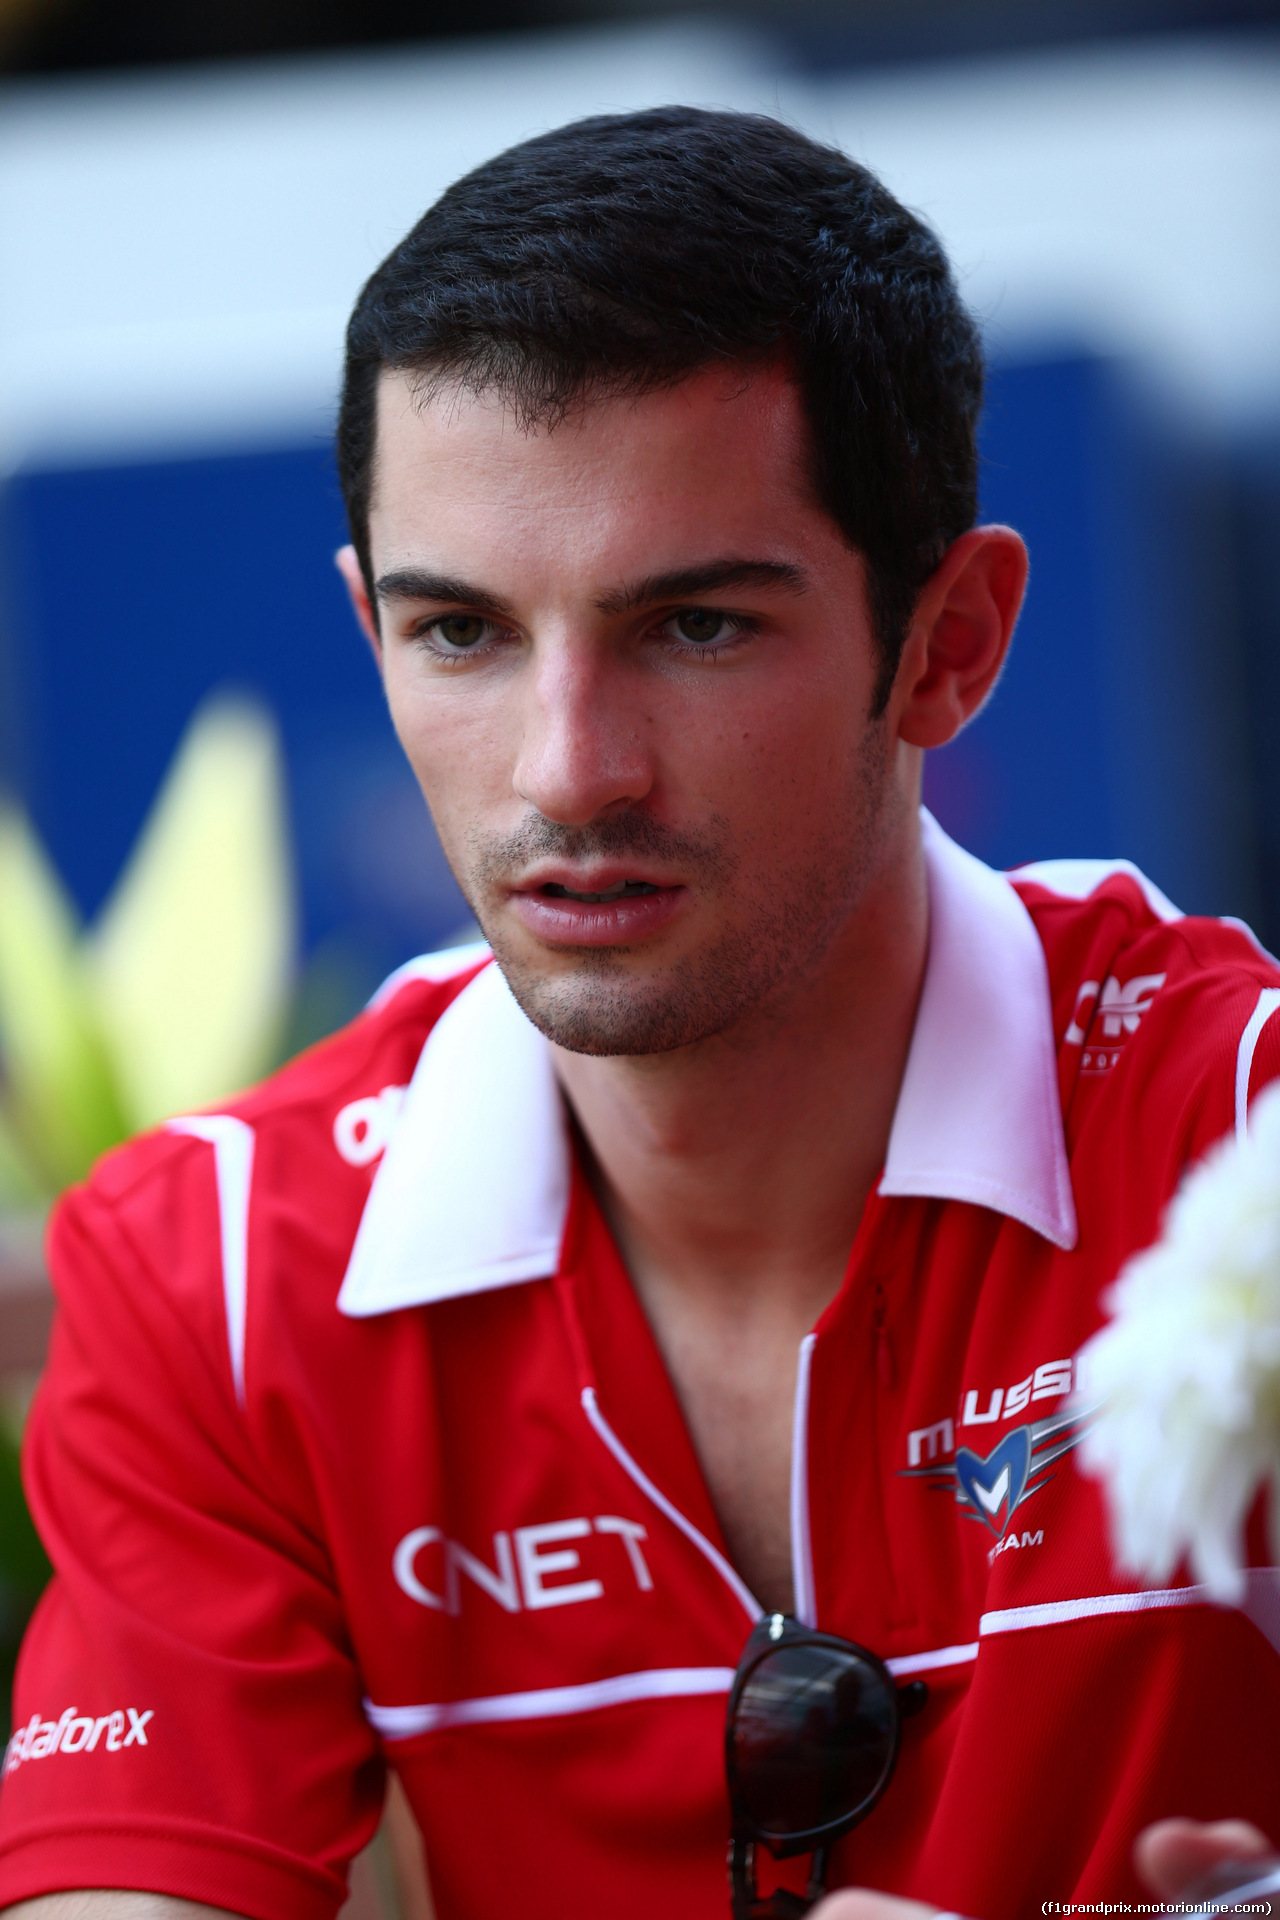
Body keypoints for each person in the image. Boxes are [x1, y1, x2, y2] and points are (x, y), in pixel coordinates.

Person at [0, 106, 1277, 1920]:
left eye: (694, 626)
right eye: (462, 635)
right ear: (370, 634)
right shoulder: (208, 1271)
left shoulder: (1246, 1127)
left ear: (952, 642)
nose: (566, 769)